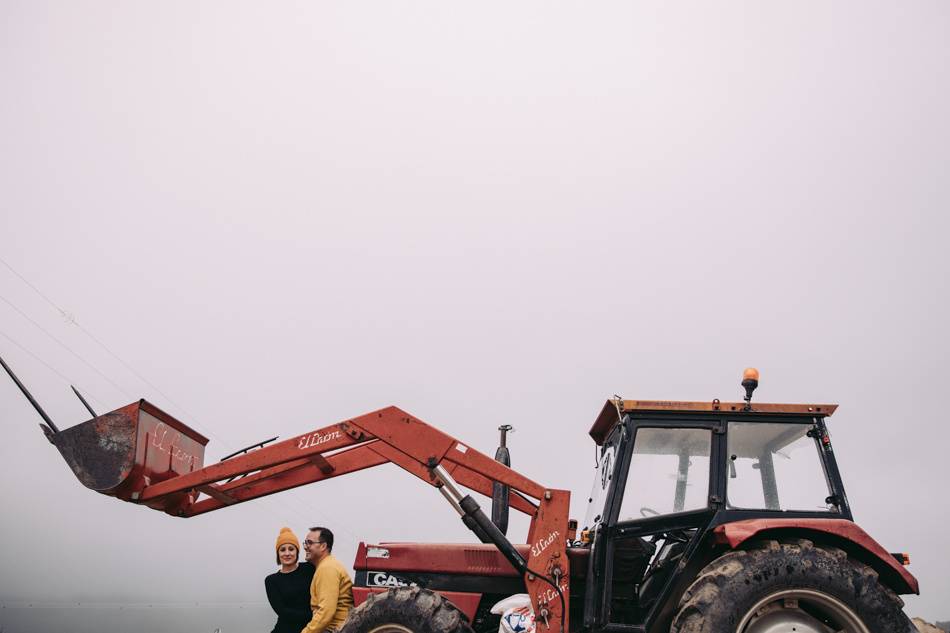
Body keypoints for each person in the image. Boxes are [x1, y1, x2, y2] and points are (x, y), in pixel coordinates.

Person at [301, 526, 354, 633]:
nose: (305, 547)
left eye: (310, 543)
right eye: (305, 543)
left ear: (323, 546)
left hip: (335, 629)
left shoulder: (327, 568)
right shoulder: (327, 565)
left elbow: (326, 611)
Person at [265, 527, 316, 633]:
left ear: (297, 551)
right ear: (278, 554)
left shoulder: (309, 568)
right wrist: (315, 616)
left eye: (291, 549)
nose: (287, 553)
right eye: (282, 550)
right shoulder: (271, 580)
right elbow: (282, 611)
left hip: (312, 629)